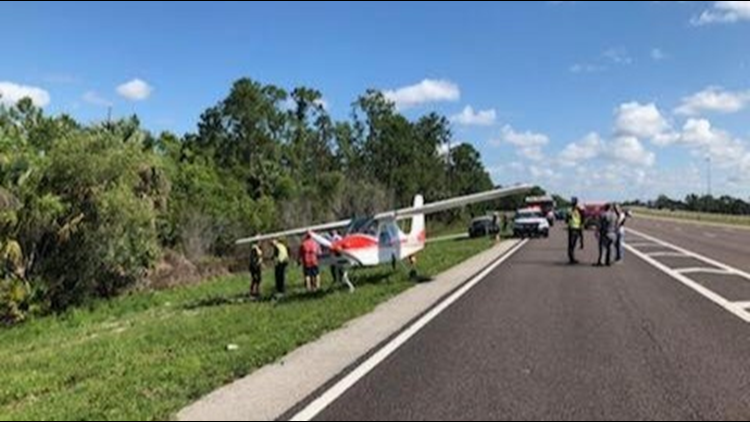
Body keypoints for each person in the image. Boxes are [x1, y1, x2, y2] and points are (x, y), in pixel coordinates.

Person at [567, 197, 585, 265]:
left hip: (572, 228)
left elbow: (567, 219)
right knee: (572, 245)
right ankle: (571, 259)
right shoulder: (579, 210)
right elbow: (583, 218)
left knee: (571, 245)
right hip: (576, 228)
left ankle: (571, 258)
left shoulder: (570, 210)